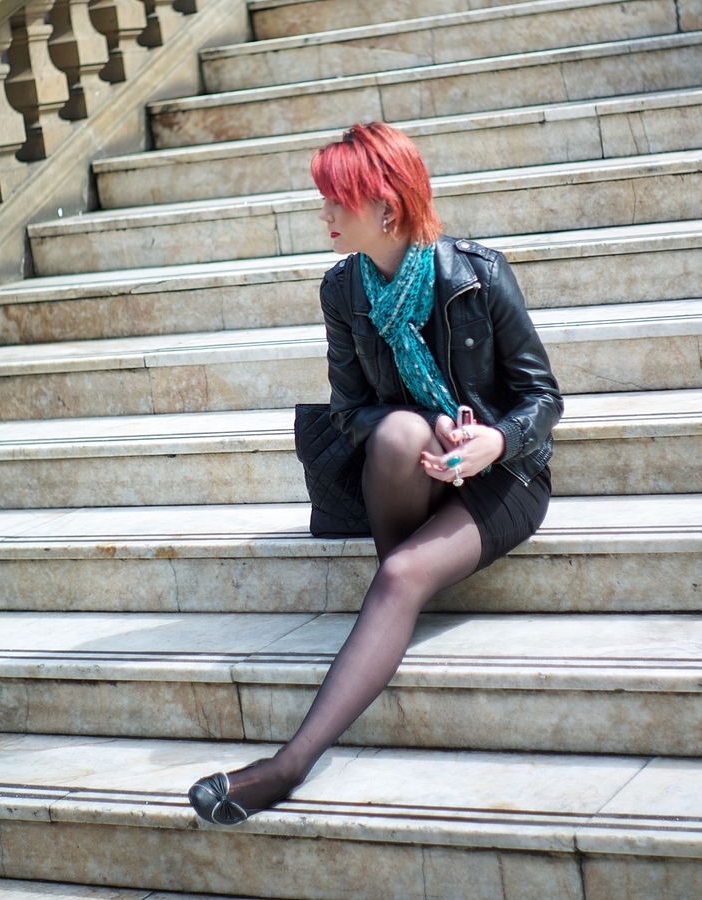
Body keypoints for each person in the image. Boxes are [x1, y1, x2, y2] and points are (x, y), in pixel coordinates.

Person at [188, 122, 563, 825]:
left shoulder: (478, 274)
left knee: (398, 575)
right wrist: (429, 421)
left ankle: (284, 769)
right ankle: (402, 586)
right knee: (395, 430)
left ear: (386, 208)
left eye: (337, 200)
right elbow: (350, 411)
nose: (324, 214)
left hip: (502, 476)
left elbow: (543, 399)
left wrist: (493, 440)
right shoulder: (343, 290)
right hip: (411, 472)